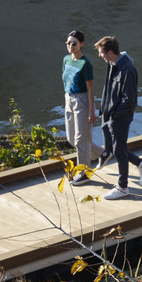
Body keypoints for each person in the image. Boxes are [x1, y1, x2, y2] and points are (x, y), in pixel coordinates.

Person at [94, 36, 142, 201]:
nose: (100, 56)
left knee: (119, 150)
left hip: (119, 117)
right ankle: (141, 164)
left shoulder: (127, 69)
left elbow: (129, 99)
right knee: (114, 148)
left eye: (101, 53)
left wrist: (114, 115)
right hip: (108, 114)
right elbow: (108, 90)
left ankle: (122, 187)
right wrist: (104, 112)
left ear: (110, 52)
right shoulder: (112, 64)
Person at [61, 30, 97, 185]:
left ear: (81, 44)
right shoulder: (66, 59)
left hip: (82, 100)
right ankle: (103, 153)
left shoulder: (85, 64)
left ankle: (84, 173)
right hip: (68, 98)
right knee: (71, 138)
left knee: (80, 140)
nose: (70, 46)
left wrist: (91, 111)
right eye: (68, 43)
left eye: (74, 43)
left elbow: (90, 90)